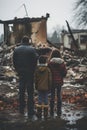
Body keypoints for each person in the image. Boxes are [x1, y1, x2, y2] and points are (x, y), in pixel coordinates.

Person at [13, 35, 38, 119]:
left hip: (21, 72)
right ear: (28, 41)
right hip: (30, 73)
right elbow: (35, 60)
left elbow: (14, 62)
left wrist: (18, 70)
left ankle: (21, 109)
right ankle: (30, 110)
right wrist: (33, 70)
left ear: (22, 41)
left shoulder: (16, 50)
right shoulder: (32, 49)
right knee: (30, 91)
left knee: (21, 90)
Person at [48, 49, 67, 117]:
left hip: (52, 81)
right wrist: (61, 75)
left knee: (52, 96)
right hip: (59, 81)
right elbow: (64, 73)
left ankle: (51, 111)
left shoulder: (50, 63)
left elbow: (48, 72)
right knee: (59, 95)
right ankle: (59, 111)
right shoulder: (62, 63)